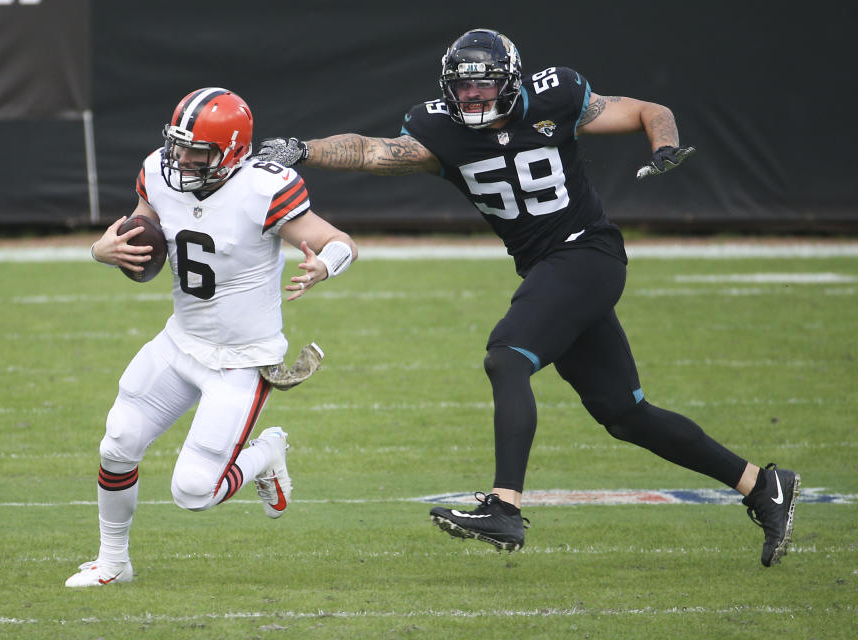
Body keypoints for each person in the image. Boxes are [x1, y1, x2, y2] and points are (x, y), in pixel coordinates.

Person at [255, 29, 799, 566]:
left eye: (483, 86)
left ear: (511, 81)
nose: (471, 97)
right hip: (549, 269)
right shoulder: (437, 130)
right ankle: (762, 485)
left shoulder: (556, 94)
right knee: (626, 415)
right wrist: (304, 149)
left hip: (588, 253)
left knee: (507, 355)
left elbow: (645, 109)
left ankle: (505, 505)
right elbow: (372, 151)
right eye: (462, 87)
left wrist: (665, 145)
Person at [65, 87, 357, 587]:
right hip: (180, 341)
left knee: (195, 491)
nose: (179, 159)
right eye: (176, 145)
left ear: (234, 151)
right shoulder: (159, 171)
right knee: (117, 443)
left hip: (241, 359)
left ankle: (267, 451)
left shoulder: (264, 189)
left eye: (195, 150)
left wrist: (322, 267)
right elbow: (143, 232)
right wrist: (102, 250)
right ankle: (114, 561)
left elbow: (341, 242)